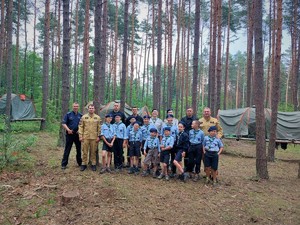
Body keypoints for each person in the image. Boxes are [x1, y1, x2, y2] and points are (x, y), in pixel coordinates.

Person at [78, 104, 101, 171]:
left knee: (93, 151)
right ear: (88, 109)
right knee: (84, 151)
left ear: (94, 109)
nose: (91, 109)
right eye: (90, 108)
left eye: (92, 108)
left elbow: (99, 128)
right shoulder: (83, 117)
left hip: (94, 137)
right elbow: (80, 127)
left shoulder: (98, 118)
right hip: (85, 137)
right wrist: (80, 136)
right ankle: (84, 164)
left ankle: (93, 164)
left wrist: (98, 136)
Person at [61, 102, 82, 170]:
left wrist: (80, 131)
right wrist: (68, 130)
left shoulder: (80, 115)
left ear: (78, 107)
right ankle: (64, 164)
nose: (75, 107)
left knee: (78, 149)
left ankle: (80, 163)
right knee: (67, 149)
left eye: (77, 106)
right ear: (72, 107)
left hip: (77, 135)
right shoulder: (68, 114)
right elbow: (63, 123)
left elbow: (82, 124)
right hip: (70, 134)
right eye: (74, 106)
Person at [180, 107, 198, 172]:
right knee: (186, 153)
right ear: (186, 112)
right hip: (185, 139)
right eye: (188, 111)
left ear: (192, 112)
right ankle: (185, 167)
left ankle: (192, 168)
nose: (189, 112)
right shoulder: (183, 119)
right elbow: (181, 127)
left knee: (193, 154)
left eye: (190, 111)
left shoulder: (196, 119)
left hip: (193, 139)